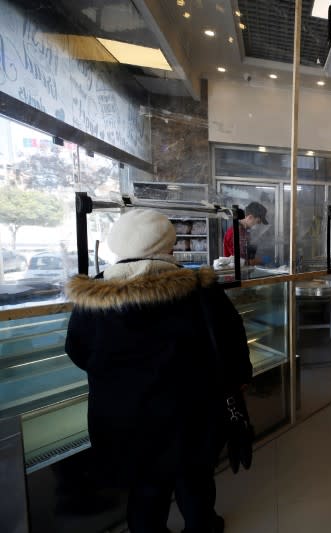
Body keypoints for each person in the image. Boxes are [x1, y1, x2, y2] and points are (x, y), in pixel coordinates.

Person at [65, 209, 252, 533]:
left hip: (125, 420)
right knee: (195, 483)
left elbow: (78, 351)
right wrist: (240, 380)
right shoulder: (200, 289)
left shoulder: (94, 298)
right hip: (192, 414)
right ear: (168, 245)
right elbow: (231, 343)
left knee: (145, 489)